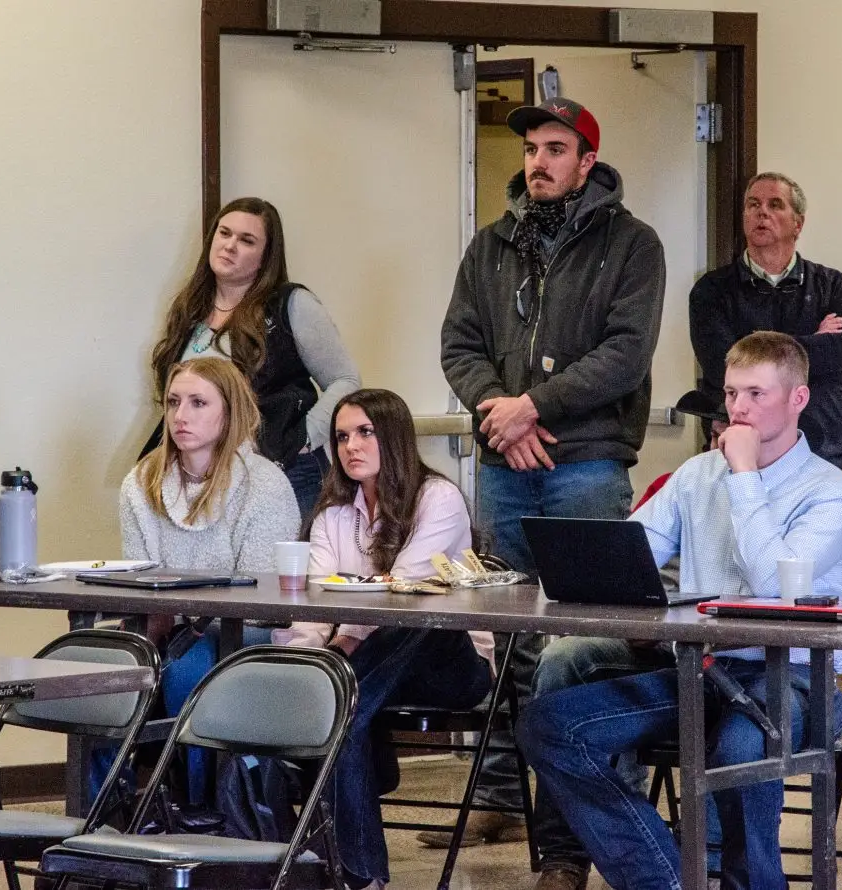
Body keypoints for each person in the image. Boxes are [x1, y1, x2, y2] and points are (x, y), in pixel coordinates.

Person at [517, 332, 842, 890]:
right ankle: (669, 877)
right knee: (551, 726)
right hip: (700, 670)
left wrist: (745, 476)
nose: (739, 409)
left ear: (798, 399)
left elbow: (775, 580)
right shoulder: (698, 475)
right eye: (731, 394)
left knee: (742, 744)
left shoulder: (831, 493)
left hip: (798, 679)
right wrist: (582, 566)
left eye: (756, 394)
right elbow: (633, 550)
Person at [435, 96, 665, 849]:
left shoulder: (633, 244)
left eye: (555, 149)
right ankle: (502, 798)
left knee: (578, 645)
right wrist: (497, 409)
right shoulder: (492, 245)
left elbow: (624, 355)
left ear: (587, 161)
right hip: (507, 467)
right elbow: (459, 345)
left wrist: (531, 405)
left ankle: (570, 837)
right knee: (507, 640)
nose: (538, 162)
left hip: (587, 466)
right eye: (532, 148)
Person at [271, 389, 494, 890]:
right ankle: (362, 877)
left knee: (418, 617)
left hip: (450, 665)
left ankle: (335, 703)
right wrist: (307, 660)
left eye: (365, 432)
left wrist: (340, 651)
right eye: (342, 436)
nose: (351, 446)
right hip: (370, 674)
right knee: (342, 707)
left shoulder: (439, 497)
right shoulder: (333, 514)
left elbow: (406, 591)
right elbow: (314, 601)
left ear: (393, 437)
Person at [118, 356, 301, 804]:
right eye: (174, 402)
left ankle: (205, 812)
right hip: (165, 625)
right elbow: (141, 582)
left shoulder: (264, 484)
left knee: (189, 670)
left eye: (198, 403)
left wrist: (186, 619)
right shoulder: (140, 482)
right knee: (94, 674)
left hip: (247, 630)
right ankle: (96, 820)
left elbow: (259, 594)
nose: (181, 416)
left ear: (229, 411)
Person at [148, 196, 360, 518]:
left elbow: (346, 381)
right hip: (205, 477)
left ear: (265, 258)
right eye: (224, 233)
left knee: (287, 570)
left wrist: (303, 438)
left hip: (283, 472)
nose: (230, 246)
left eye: (246, 240)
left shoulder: (292, 304)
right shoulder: (189, 308)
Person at [690, 172, 842, 475]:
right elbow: (721, 363)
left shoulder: (833, 287)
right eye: (753, 204)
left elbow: (837, 351)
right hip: (740, 456)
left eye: (775, 204)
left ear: (798, 223)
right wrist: (810, 340)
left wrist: (751, 345)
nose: (761, 212)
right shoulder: (711, 291)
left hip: (824, 452)